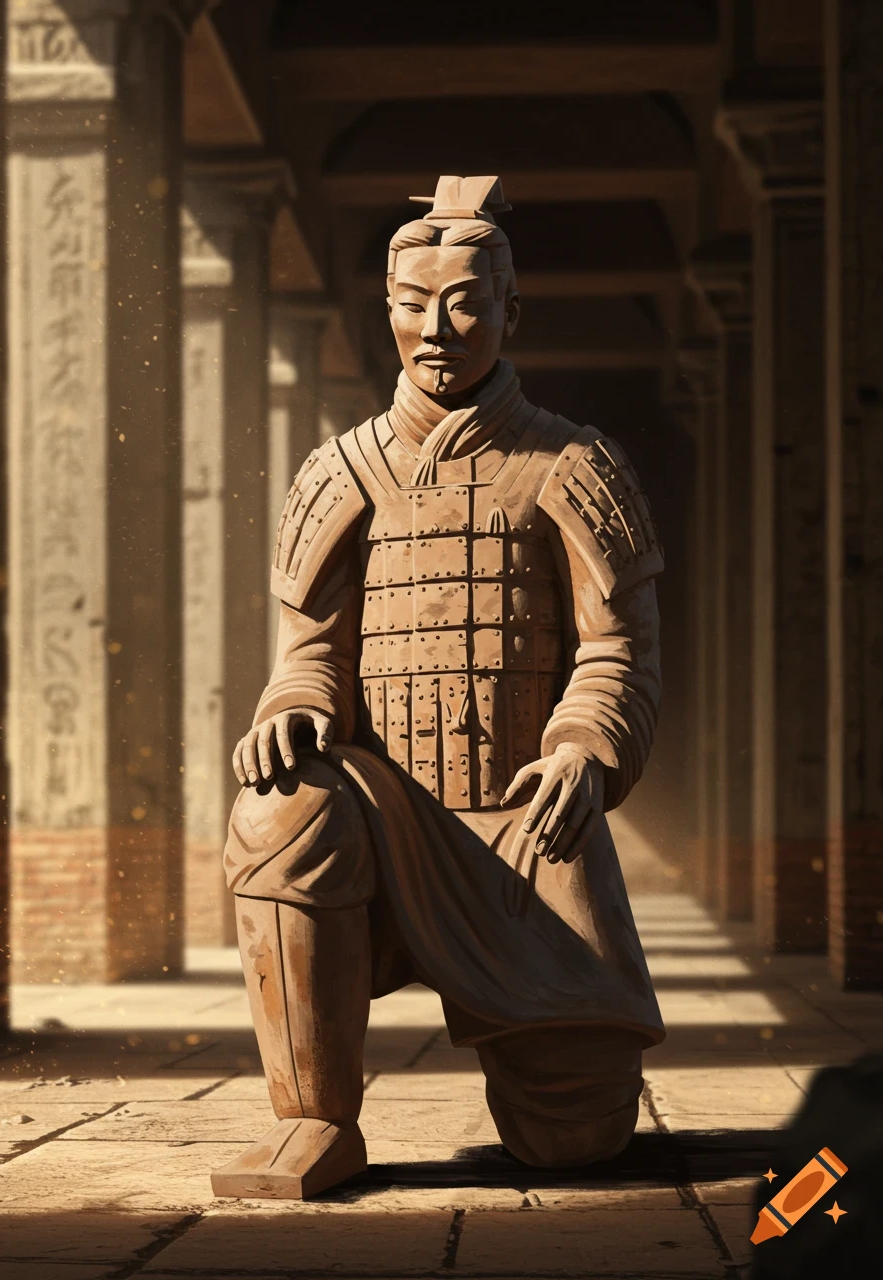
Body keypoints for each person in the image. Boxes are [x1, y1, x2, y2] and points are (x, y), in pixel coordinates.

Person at [211, 175, 666, 1200]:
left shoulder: (574, 463)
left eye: (465, 302)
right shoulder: (338, 472)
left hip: (524, 835)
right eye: (413, 303)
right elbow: (310, 650)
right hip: (384, 816)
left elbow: (618, 649)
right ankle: (314, 1119)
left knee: (575, 1139)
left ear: (511, 309)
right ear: (386, 309)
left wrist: (581, 750)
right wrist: (293, 710)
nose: (437, 329)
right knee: (279, 807)